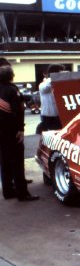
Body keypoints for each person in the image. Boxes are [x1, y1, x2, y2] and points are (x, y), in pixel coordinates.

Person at [0, 65, 39, 201]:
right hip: (12, 132)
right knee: (17, 162)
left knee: (4, 162)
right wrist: (21, 129)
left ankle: (8, 191)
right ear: (11, 76)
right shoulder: (13, 90)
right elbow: (18, 111)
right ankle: (23, 193)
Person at [38, 63, 65, 133]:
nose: (62, 75)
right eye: (60, 73)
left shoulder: (60, 83)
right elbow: (45, 88)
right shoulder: (44, 84)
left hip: (60, 115)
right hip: (48, 116)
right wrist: (55, 78)